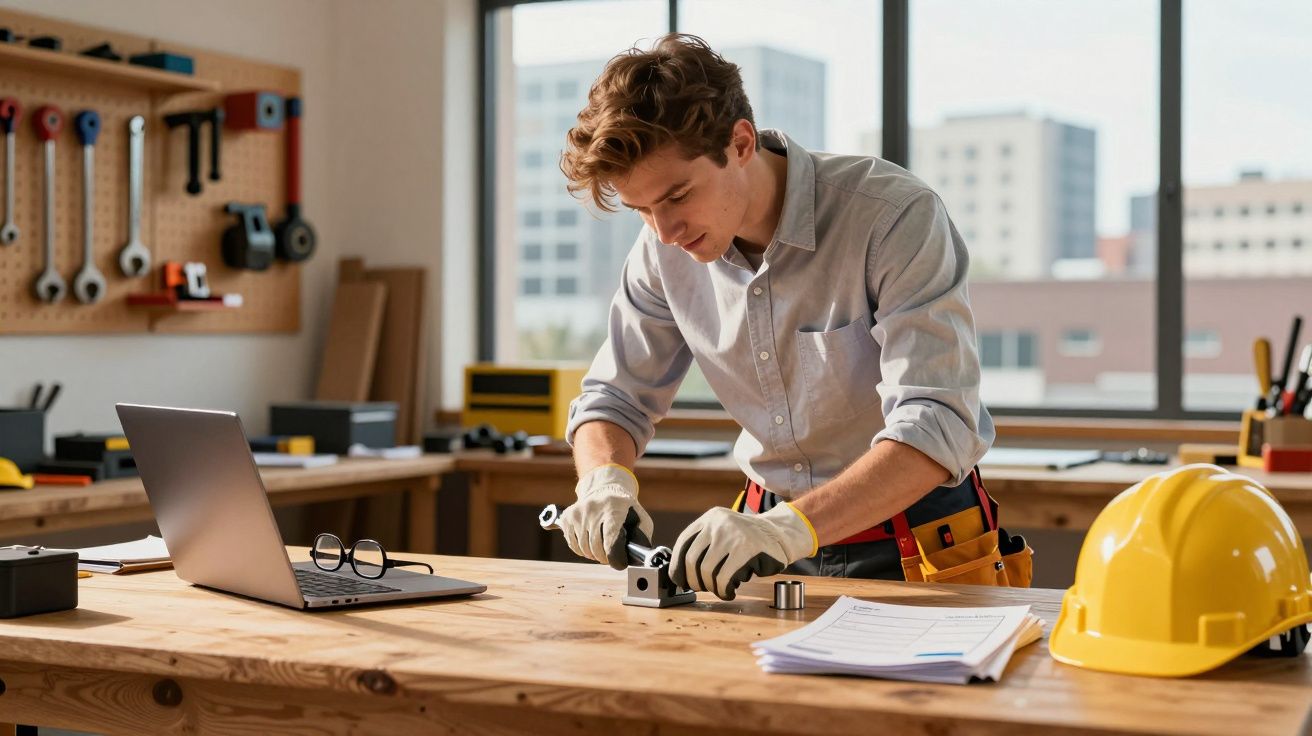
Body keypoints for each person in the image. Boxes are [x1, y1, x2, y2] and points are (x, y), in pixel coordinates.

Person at [553, 34, 1015, 601]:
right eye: (641, 209)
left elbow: (938, 421)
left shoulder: (891, 217)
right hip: (760, 542)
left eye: (676, 196)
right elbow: (614, 400)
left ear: (740, 143)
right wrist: (604, 477)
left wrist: (789, 527)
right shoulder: (660, 252)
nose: (663, 232)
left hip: (916, 535)